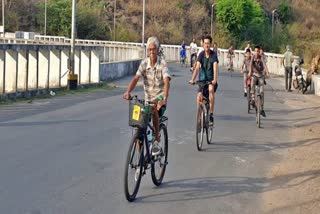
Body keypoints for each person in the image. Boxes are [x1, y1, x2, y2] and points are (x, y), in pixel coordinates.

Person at [123, 36, 171, 156]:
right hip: (147, 100)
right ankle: (141, 159)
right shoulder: (144, 63)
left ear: (158, 50)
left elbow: (166, 81)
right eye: (149, 50)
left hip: (159, 99)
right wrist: (128, 91)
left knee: (154, 109)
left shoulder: (162, 63)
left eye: (154, 49)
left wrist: (164, 99)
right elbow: (136, 78)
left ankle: (156, 141)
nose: (152, 52)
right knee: (138, 128)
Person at [189, 35, 219, 124]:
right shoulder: (201, 54)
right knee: (199, 97)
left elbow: (215, 68)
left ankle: (211, 114)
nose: (206, 45)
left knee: (210, 89)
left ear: (210, 45)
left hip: (211, 80)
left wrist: (214, 80)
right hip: (202, 80)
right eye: (205, 43)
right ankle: (199, 115)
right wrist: (192, 79)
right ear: (203, 45)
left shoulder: (213, 55)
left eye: (208, 43)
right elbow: (197, 67)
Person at [248, 45, 270, 117]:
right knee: (252, 82)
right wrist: (250, 72)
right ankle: (253, 98)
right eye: (255, 51)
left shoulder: (261, 58)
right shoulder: (252, 58)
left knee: (262, 92)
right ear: (254, 52)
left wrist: (267, 72)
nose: (257, 53)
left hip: (261, 76)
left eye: (258, 51)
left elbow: (265, 65)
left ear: (259, 52)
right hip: (254, 74)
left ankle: (262, 108)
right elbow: (250, 65)